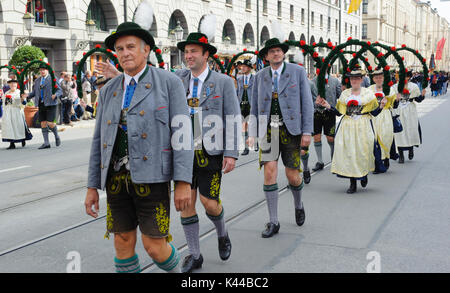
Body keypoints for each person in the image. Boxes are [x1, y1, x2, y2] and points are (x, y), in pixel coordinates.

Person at [84, 21, 193, 274]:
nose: (125, 53)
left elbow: (183, 135)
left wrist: (183, 182)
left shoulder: (169, 83)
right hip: (116, 180)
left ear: (146, 50)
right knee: (122, 242)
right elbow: (99, 141)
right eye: (120, 49)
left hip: (153, 177)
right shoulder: (109, 89)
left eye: (130, 47)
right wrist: (92, 186)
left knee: (154, 246)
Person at [175, 32, 240, 273]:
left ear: (206, 54)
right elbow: (149, 82)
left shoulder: (223, 82)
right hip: (182, 150)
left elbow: (233, 118)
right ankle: (195, 255)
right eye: (186, 52)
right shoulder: (177, 78)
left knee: (209, 202)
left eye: (193, 51)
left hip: (210, 151)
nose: (188, 56)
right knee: (186, 203)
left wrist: (231, 152)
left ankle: (222, 234)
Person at [248, 38, 314, 237]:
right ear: (266, 56)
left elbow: (307, 103)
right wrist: (252, 133)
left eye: (278, 51)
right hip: (269, 131)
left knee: (292, 175)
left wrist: (307, 132)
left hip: (292, 130)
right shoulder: (259, 77)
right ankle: (273, 221)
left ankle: (298, 203)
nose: (275, 54)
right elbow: (254, 106)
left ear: (283, 54)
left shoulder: (297, 72)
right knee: (269, 173)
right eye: (271, 51)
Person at [317, 68, 383, 194]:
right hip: (347, 127)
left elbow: (374, 113)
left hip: (363, 126)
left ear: (361, 80)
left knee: (363, 152)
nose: (354, 81)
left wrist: (381, 106)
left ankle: (363, 174)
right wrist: (328, 106)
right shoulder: (345, 94)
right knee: (350, 152)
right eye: (352, 79)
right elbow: (339, 112)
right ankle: (352, 183)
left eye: (357, 78)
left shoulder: (368, 94)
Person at [309, 69, 342, 181]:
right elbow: (309, 97)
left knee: (330, 138)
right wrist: (315, 103)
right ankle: (320, 161)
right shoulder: (312, 81)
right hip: (316, 113)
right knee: (317, 137)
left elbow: (340, 96)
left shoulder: (335, 81)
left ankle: (334, 160)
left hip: (329, 112)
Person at [22, 64, 62, 149]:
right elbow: (34, 92)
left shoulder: (53, 78)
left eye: (44, 69)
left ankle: (56, 135)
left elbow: (59, 90)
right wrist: (27, 95)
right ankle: (46, 143)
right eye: (40, 70)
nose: (42, 71)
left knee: (50, 123)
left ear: (47, 70)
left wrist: (56, 95)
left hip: (51, 103)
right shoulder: (37, 81)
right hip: (41, 104)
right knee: (43, 123)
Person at [392, 70, 426, 163]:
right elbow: (392, 102)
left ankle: (411, 149)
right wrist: (396, 100)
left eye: (407, 76)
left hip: (410, 111)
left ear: (409, 77)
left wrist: (422, 95)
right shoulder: (395, 87)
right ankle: (401, 155)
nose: (405, 78)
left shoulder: (413, 86)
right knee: (399, 132)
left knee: (410, 130)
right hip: (399, 110)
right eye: (403, 76)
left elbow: (418, 99)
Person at [368, 68, 397, 171]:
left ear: (383, 78)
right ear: (373, 79)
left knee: (385, 136)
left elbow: (395, 104)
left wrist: (394, 100)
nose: (378, 79)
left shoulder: (389, 89)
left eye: (380, 77)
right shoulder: (369, 89)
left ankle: (386, 157)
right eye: (376, 77)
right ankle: (377, 162)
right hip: (374, 115)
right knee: (374, 138)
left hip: (385, 115)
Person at [1, 79, 32, 149]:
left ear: (16, 85)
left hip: (17, 112)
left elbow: (23, 103)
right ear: (9, 85)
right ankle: (12, 143)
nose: (12, 85)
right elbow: (5, 103)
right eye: (11, 84)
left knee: (18, 127)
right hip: (8, 112)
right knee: (10, 127)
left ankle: (22, 139)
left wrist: (22, 99)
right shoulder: (7, 93)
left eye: (14, 84)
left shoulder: (19, 92)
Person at [236, 59, 254, 155]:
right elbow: (237, 92)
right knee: (244, 125)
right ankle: (246, 147)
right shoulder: (239, 79)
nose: (242, 68)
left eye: (244, 66)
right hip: (242, 104)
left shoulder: (254, 78)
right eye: (241, 66)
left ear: (249, 68)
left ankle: (255, 141)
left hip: (251, 104)